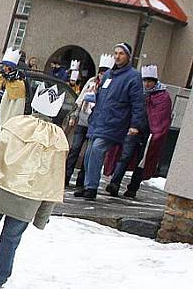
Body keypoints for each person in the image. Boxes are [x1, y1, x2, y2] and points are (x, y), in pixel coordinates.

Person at [0, 85, 69, 289]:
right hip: (29, 200)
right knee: (11, 240)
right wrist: (42, 215)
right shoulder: (58, 139)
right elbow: (54, 180)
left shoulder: (17, 124)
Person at [75, 42, 146, 201]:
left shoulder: (133, 76)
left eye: (121, 53)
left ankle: (91, 188)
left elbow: (137, 103)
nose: (117, 56)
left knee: (97, 150)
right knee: (89, 154)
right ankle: (87, 185)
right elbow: (101, 98)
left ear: (127, 56)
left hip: (115, 122)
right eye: (115, 53)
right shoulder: (107, 75)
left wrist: (135, 125)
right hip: (99, 120)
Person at [105, 64, 172, 198]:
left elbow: (162, 117)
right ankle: (114, 183)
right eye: (145, 81)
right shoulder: (137, 93)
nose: (147, 84)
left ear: (155, 81)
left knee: (142, 162)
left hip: (150, 134)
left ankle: (133, 188)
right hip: (133, 130)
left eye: (150, 81)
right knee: (125, 156)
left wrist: (156, 133)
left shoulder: (163, 97)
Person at [65, 53, 114, 188]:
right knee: (75, 148)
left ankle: (82, 181)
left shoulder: (110, 86)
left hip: (96, 124)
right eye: (100, 73)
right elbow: (80, 98)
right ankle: (66, 176)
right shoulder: (91, 82)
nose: (101, 76)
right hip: (83, 119)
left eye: (105, 73)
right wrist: (74, 115)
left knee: (89, 153)